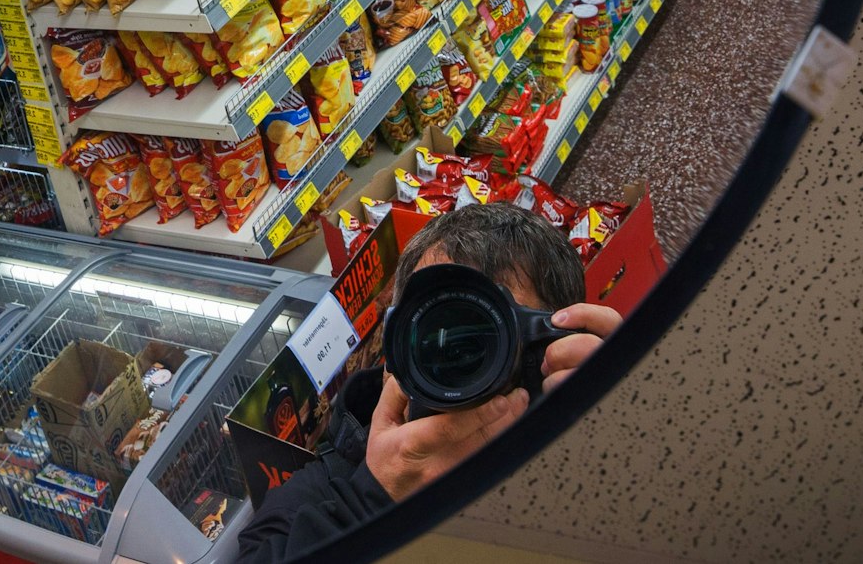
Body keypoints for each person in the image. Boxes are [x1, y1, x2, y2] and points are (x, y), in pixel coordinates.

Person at [236, 204, 624, 561]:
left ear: (552, 346)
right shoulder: (320, 500)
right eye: (438, 333)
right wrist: (371, 503)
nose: (459, 360)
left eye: (487, 341)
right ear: (392, 354)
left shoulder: (581, 456)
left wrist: (623, 433)